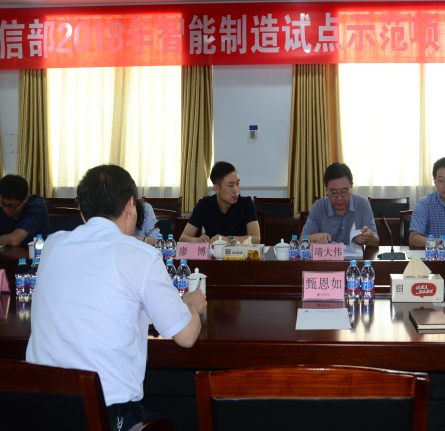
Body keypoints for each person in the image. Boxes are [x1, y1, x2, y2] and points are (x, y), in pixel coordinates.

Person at [26, 165, 206, 430]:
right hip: (106, 417)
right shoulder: (140, 254)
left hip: (39, 412)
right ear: (130, 206)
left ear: (82, 212)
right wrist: (190, 306)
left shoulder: (52, 245)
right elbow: (187, 336)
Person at [180, 161, 260, 244]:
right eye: (231, 185)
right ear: (217, 188)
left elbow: (256, 238)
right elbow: (183, 238)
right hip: (213, 252)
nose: (236, 190)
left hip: (239, 252)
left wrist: (228, 239)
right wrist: (197, 240)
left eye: (237, 183)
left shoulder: (246, 203)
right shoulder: (204, 205)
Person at [301, 162, 379, 246]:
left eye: (344, 192)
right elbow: (302, 240)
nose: (339, 198)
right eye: (334, 193)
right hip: (329, 254)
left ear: (351, 187)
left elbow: (376, 242)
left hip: (355, 255)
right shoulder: (318, 208)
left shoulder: (362, 205)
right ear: (326, 190)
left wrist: (369, 237)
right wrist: (317, 237)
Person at [0, 174, 51, 246]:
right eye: (3, 204)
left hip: (37, 252)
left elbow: (14, 240)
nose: (6, 210)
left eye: (12, 206)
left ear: (25, 199)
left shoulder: (35, 203)